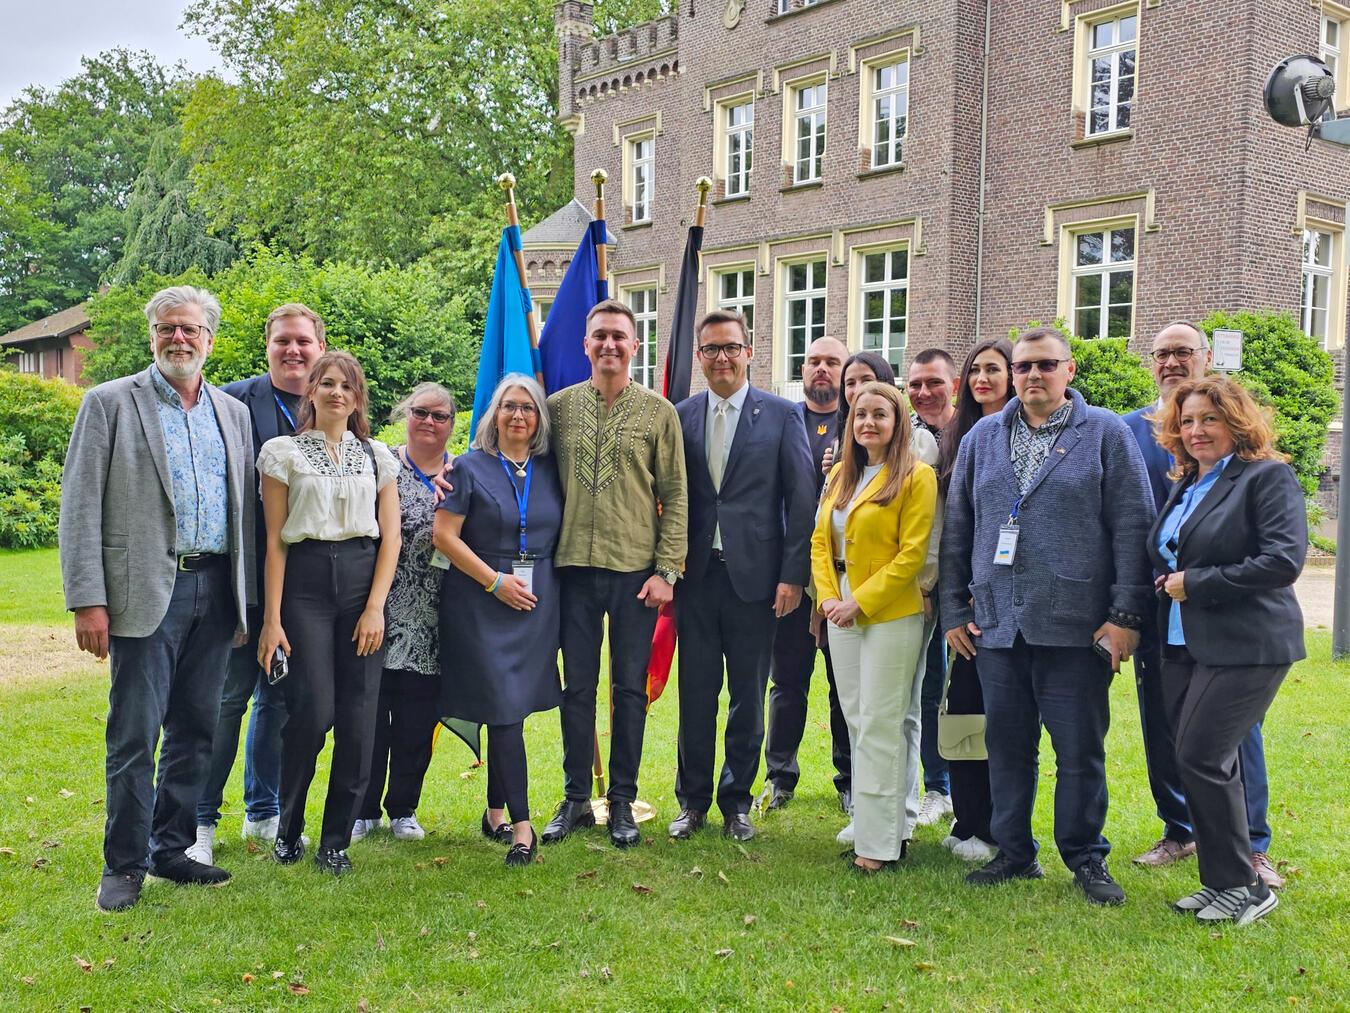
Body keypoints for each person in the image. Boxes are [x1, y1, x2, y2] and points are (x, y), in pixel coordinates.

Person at [940, 326, 1154, 906]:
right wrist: (954, 608)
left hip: (1076, 626)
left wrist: (1126, 615)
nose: (1033, 374)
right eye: (1024, 366)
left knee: (1079, 750)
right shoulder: (984, 436)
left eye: (1045, 365)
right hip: (997, 625)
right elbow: (958, 526)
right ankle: (1014, 852)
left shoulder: (1105, 433)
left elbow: (1133, 526)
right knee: (1007, 748)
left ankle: (1085, 857)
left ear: (1069, 370)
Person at [60, 285, 255, 911]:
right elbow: (80, 505)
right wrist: (87, 600)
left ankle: (171, 849)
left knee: (196, 729)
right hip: (143, 593)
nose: (179, 338)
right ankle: (124, 864)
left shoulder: (233, 414)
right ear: (152, 336)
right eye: (167, 328)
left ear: (209, 339)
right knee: (135, 735)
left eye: (190, 329)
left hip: (216, 590)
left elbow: (245, 513)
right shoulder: (110, 403)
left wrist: (246, 600)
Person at [1122, 322, 1282, 889]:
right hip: (1161, 615)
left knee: (1229, 735)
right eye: (1160, 353)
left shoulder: (1256, 470)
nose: (1170, 362)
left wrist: (1199, 581)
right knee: (1169, 729)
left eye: (1182, 352)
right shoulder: (1133, 434)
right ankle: (1182, 830)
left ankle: (1251, 848)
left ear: (1206, 357)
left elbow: (1278, 555)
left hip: (1226, 622)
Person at [1148, 375, 1305, 924]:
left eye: (1209, 419)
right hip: (1182, 641)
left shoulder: (1266, 476)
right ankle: (1221, 882)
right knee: (1199, 760)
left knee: (1201, 756)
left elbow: (1283, 560)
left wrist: (1196, 583)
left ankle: (1246, 886)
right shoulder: (1189, 481)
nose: (1196, 430)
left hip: (1248, 642)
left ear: (1236, 422)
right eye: (1187, 421)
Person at [541, 299, 688, 849]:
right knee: (576, 687)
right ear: (586, 345)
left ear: (635, 345)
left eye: (619, 336)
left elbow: (676, 495)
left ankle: (622, 798)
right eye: (600, 335)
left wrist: (667, 571)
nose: (609, 344)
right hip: (573, 570)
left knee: (629, 688)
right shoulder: (557, 409)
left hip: (635, 573)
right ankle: (577, 796)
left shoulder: (658, 413)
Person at [667, 311, 815, 842]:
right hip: (695, 578)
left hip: (756, 582)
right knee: (696, 694)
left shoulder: (781, 415)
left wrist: (793, 575)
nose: (722, 357)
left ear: (749, 352)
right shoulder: (680, 416)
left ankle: (736, 802)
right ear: (699, 356)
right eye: (711, 349)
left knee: (748, 697)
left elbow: (802, 499)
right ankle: (692, 802)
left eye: (731, 347)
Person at [188, 303, 326, 867]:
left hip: (309, 589)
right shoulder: (231, 404)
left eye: (303, 342)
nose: (293, 351)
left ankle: (263, 810)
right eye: (282, 341)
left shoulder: (333, 404)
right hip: (243, 583)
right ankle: (199, 819)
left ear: (320, 348)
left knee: (280, 701)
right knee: (227, 700)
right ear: (267, 347)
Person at [256, 351, 401, 875]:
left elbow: (391, 538)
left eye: (347, 386)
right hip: (306, 588)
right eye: (328, 383)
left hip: (362, 585)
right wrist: (272, 620)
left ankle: (335, 842)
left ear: (358, 398)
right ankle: (288, 826)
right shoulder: (282, 454)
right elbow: (275, 542)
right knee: (313, 713)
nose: (337, 393)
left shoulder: (378, 457)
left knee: (360, 722)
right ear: (311, 391)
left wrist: (375, 607)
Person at [435, 375, 564, 867]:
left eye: (528, 408)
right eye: (509, 406)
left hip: (537, 602)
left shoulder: (552, 470)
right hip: (481, 602)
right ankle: (523, 828)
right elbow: (444, 536)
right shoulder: (468, 468)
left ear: (539, 419)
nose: (518, 416)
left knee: (507, 706)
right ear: (495, 414)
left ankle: (494, 814)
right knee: (505, 706)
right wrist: (494, 582)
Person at [812, 381, 937, 872]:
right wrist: (828, 597)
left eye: (879, 414)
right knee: (858, 721)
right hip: (839, 607)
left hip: (889, 612)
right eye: (860, 414)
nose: (868, 422)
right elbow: (819, 541)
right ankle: (878, 826)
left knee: (883, 723)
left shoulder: (917, 476)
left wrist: (858, 602)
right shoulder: (841, 473)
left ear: (897, 421)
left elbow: (912, 555)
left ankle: (880, 844)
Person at [351, 383, 458, 844]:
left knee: (417, 721)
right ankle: (362, 809)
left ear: (451, 424)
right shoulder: (378, 465)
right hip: (377, 612)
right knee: (369, 718)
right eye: (420, 412)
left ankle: (403, 809)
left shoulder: (462, 473)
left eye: (440, 416)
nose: (429, 422)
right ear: (405, 415)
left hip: (434, 621)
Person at [761, 335, 852, 814]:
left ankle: (849, 778)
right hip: (794, 575)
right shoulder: (784, 420)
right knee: (787, 681)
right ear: (802, 369)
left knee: (845, 685)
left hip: (844, 582)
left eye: (832, 362)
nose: (821, 368)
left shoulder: (859, 423)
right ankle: (780, 775)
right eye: (814, 360)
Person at [934, 338, 1013, 863]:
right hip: (964, 601)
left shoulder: (1023, 439)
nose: (983, 379)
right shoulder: (956, 438)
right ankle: (967, 819)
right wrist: (954, 605)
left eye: (994, 369)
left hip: (1006, 604)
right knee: (962, 713)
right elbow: (954, 531)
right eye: (976, 370)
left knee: (999, 721)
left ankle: (994, 827)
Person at [906, 348, 961, 828]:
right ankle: (937, 786)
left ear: (954, 385)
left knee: (964, 688)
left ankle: (967, 791)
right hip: (922, 578)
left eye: (934, 383)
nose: (924, 393)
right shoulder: (905, 437)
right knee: (925, 684)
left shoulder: (975, 431)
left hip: (971, 578)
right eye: (915, 384)